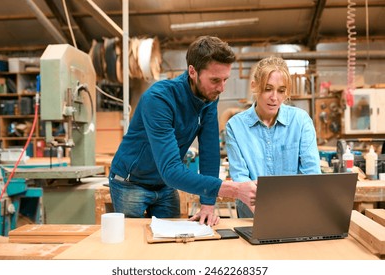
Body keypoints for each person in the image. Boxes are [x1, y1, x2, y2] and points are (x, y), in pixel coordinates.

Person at [109, 36, 256, 226]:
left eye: (225, 79)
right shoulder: (159, 99)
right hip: (131, 183)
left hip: (165, 185)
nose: (221, 88)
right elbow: (170, 170)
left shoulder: (209, 97)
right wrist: (234, 190)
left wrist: (208, 205)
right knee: (134, 245)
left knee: (172, 246)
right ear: (192, 72)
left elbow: (209, 153)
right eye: (214, 80)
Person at [225, 56, 321, 218]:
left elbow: (311, 174)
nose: (274, 97)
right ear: (254, 86)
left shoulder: (300, 121)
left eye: (281, 91)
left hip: (295, 214)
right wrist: (266, 216)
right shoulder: (235, 126)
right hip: (252, 217)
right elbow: (242, 180)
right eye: (268, 89)